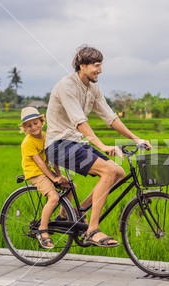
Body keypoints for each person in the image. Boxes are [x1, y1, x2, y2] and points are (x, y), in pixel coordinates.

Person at [45, 45, 152, 247]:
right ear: (82, 65)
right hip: (58, 144)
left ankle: (79, 211)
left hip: (75, 143)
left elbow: (109, 117)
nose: (99, 71)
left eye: (100, 65)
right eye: (96, 66)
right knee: (109, 170)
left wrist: (135, 138)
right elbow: (79, 122)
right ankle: (92, 230)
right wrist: (102, 145)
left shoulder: (93, 88)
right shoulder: (66, 86)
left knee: (118, 173)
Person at [20, 106, 73, 249]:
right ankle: (42, 231)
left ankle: (62, 216)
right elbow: (40, 164)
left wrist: (59, 175)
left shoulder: (46, 136)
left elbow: (53, 157)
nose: (33, 127)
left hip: (46, 170)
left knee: (70, 186)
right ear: (25, 128)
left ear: (42, 122)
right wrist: (53, 178)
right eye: (29, 125)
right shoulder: (28, 143)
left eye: (35, 123)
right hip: (35, 172)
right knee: (54, 197)